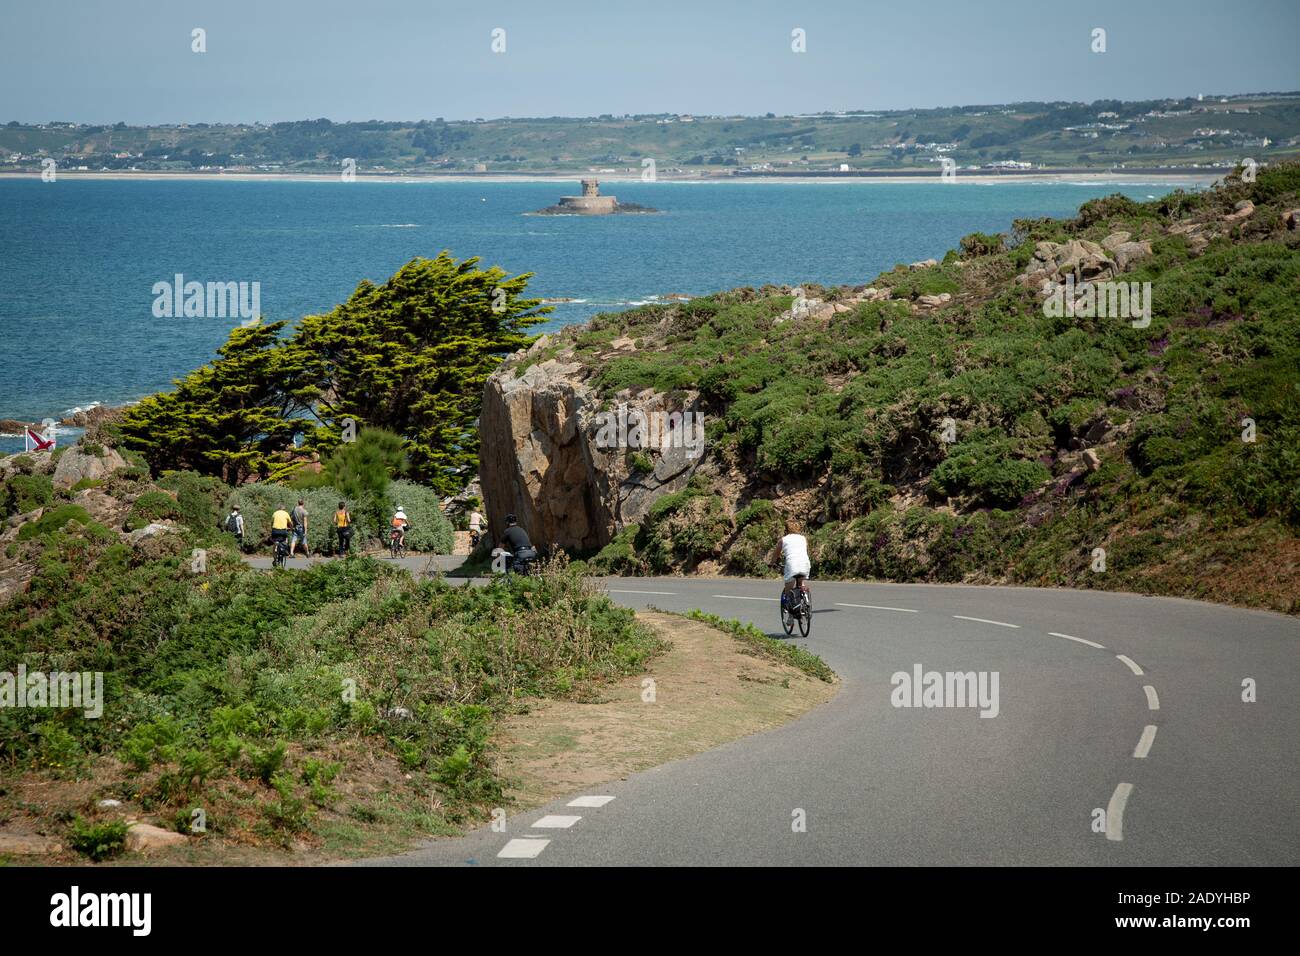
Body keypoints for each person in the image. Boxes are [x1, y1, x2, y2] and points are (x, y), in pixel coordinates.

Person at [778, 517, 811, 609]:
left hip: (792, 565)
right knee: (800, 583)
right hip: (805, 563)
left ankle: (790, 614)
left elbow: (775, 554)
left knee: (788, 589)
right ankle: (805, 596)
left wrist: (771, 563)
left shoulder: (783, 540)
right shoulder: (803, 538)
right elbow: (806, 552)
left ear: (786, 529)